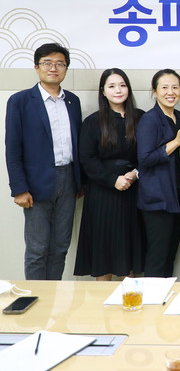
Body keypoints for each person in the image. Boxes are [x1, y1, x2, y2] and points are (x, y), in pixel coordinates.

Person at [5, 42, 82, 280]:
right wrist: (19, 188)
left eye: (60, 64)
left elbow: (77, 144)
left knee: (60, 248)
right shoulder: (20, 101)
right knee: (37, 250)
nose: (53, 68)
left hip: (68, 180)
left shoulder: (73, 101)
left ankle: (53, 297)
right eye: (47, 63)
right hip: (35, 184)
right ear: (36, 67)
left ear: (66, 68)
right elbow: (13, 148)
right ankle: (35, 300)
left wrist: (80, 181)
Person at [74, 68, 145, 281]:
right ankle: (103, 300)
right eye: (112, 86)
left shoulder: (141, 118)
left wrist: (134, 174)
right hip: (102, 194)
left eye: (122, 85)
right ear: (103, 91)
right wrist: (113, 180)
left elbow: (148, 154)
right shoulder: (93, 121)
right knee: (103, 253)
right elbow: (87, 159)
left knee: (128, 252)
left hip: (133, 191)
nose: (118, 90)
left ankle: (130, 299)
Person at [137, 69, 180, 278]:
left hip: (176, 196)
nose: (171, 92)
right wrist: (176, 142)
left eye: (175, 87)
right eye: (165, 87)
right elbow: (145, 159)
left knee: (170, 256)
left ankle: (165, 296)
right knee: (158, 257)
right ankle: (152, 297)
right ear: (154, 91)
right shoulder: (149, 119)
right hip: (157, 200)